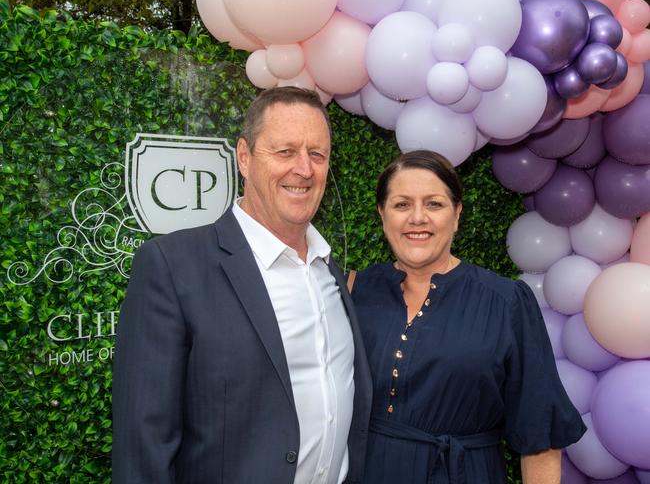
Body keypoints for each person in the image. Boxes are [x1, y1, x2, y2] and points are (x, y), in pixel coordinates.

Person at [112, 86, 372, 484]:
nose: (304, 169)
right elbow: (144, 446)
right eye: (285, 151)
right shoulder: (173, 266)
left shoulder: (329, 271)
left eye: (317, 154)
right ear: (245, 158)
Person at [348, 150, 585, 484]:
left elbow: (539, 435)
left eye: (434, 204)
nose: (418, 218)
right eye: (402, 204)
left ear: (457, 214)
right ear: (382, 214)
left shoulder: (505, 302)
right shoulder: (354, 291)